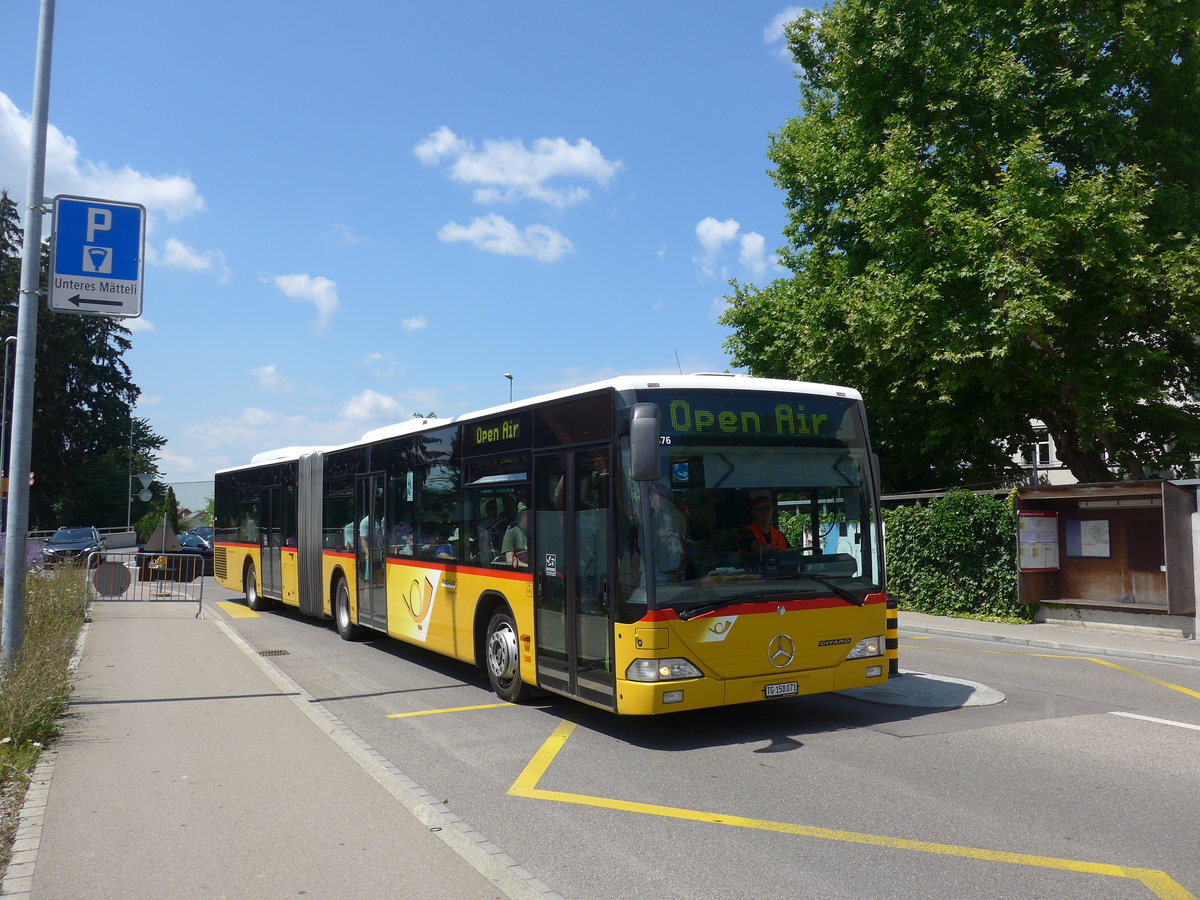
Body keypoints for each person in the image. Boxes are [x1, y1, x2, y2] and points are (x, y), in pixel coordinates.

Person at [501, 502, 529, 567]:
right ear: (520, 515)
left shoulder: (538, 532)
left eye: (530, 513)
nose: (528, 515)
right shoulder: (511, 533)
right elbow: (510, 561)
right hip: (521, 572)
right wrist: (528, 566)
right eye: (525, 513)